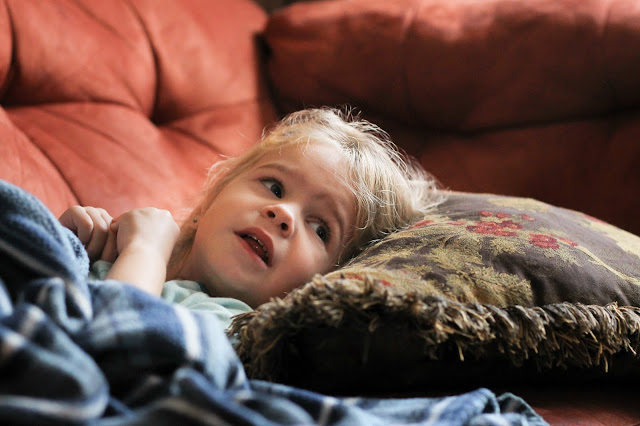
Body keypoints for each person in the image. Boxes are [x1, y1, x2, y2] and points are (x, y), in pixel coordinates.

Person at [59, 108, 443, 327]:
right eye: (274, 187)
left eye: (321, 229)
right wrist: (68, 243)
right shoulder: (118, 250)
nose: (283, 213)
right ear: (213, 197)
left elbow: (112, 338)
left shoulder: (228, 327)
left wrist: (145, 251)